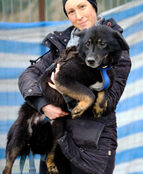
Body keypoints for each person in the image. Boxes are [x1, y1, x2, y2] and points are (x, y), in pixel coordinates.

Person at [18, 0, 131, 173]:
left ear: (94, 6)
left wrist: (65, 91)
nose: (78, 16)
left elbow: (108, 102)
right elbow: (28, 76)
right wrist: (44, 105)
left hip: (92, 144)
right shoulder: (62, 43)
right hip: (56, 138)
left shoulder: (114, 44)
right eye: (70, 11)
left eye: (82, 7)